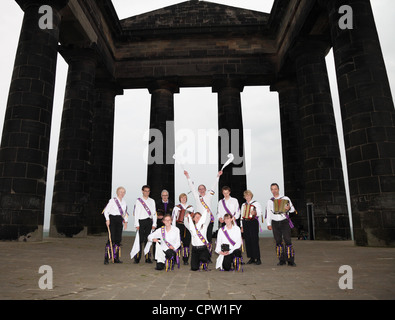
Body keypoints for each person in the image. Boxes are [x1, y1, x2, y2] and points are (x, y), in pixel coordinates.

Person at [184, 170, 223, 257]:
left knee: (208, 237)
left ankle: (208, 255)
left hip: (209, 219)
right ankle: (200, 254)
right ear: (198, 190)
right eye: (200, 189)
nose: (201, 190)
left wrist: (218, 176)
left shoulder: (209, 195)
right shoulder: (197, 196)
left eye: (203, 188)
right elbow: (191, 187)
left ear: (205, 189)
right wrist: (188, 177)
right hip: (199, 220)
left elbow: (214, 186)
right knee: (200, 236)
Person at [266, 183, 296, 267]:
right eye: (272, 189)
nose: (274, 191)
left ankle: (290, 260)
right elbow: (268, 213)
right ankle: (281, 260)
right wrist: (268, 224)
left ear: (278, 189)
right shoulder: (270, 201)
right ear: (271, 190)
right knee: (278, 242)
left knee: (288, 240)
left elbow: (293, 209)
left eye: (275, 189)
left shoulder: (286, 198)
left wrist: (289, 208)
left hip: (284, 221)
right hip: (275, 222)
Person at [130, 185, 157, 264]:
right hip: (141, 222)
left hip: (149, 221)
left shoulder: (152, 201)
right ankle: (137, 258)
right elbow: (136, 213)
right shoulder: (138, 201)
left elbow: (154, 213)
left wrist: (154, 223)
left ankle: (147, 258)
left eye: (148, 191)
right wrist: (136, 224)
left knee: (148, 240)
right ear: (142, 191)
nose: (147, 192)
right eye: (145, 191)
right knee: (139, 240)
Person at [103, 186, 129, 264]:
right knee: (111, 238)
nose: (122, 193)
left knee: (118, 239)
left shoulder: (124, 202)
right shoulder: (112, 201)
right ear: (117, 192)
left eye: (123, 192)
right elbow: (106, 211)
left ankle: (116, 257)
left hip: (119, 220)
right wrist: (107, 219)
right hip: (112, 219)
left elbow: (125, 213)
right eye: (121, 192)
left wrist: (125, 222)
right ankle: (106, 258)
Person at [240, 190, 262, 265]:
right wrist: (241, 226)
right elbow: (241, 215)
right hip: (245, 222)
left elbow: (260, 213)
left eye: (248, 195)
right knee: (248, 241)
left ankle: (258, 258)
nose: (247, 197)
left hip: (253, 222)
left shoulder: (256, 203)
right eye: (246, 196)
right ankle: (252, 258)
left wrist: (255, 213)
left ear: (251, 196)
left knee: (254, 240)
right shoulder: (243, 205)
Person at [172, 193, 194, 265]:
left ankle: (185, 259)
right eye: (182, 198)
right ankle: (176, 259)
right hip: (179, 226)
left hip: (187, 227)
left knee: (186, 243)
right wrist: (174, 229)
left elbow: (193, 218)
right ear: (180, 199)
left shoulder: (190, 207)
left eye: (185, 198)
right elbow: (173, 219)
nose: (183, 199)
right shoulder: (176, 207)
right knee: (177, 243)